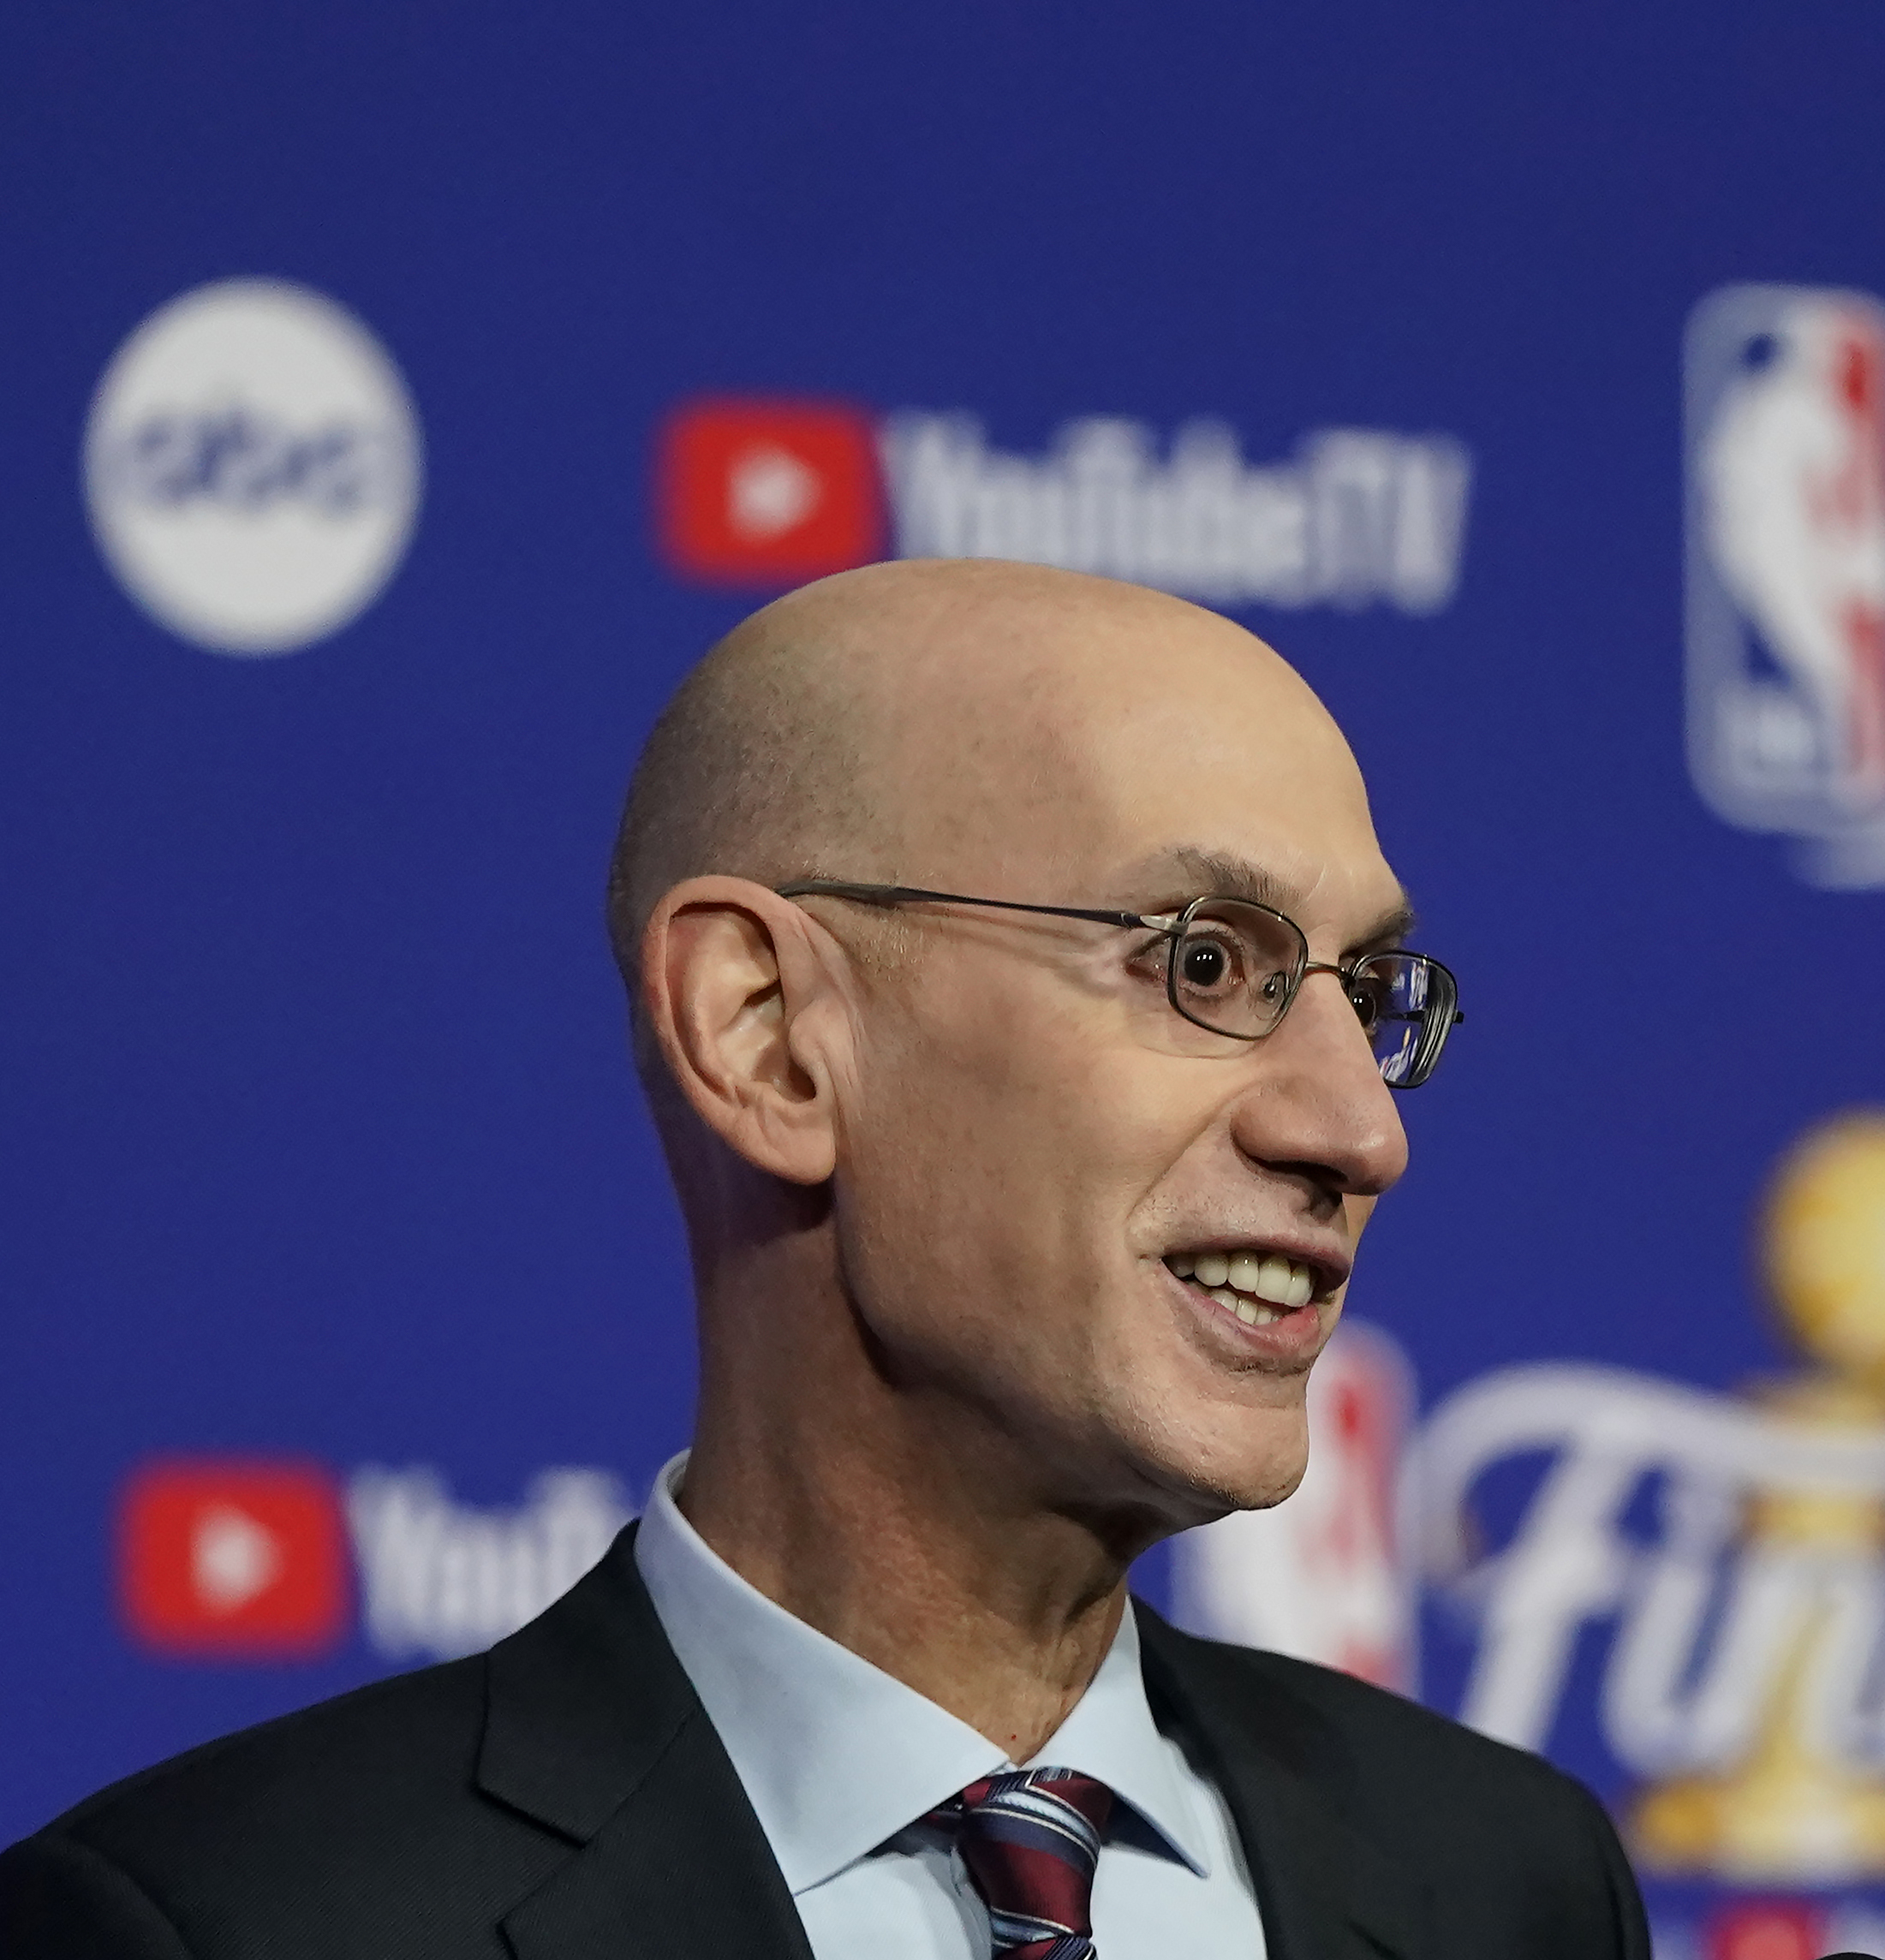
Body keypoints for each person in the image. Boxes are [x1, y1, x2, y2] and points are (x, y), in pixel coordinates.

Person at [1, 562, 1651, 1959]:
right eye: (1204, 961)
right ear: (769, 1036)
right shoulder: (233, 1925)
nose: (1360, 1132)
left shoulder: (1502, 1883)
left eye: (1364, 996)